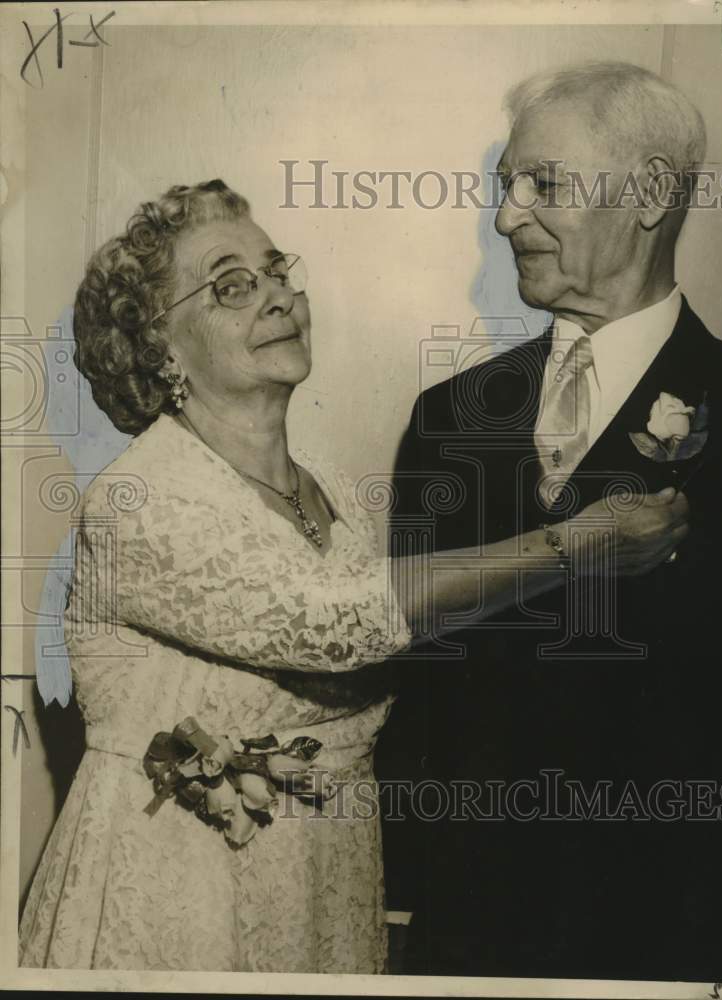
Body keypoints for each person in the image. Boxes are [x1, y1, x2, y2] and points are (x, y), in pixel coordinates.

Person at [18, 179, 686, 973]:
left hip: (319, 879)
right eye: (232, 284)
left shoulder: (330, 483)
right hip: (176, 887)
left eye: (277, 272)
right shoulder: (137, 498)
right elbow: (336, 619)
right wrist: (573, 546)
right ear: (161, 346)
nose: (276, 298)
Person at [378, 62, 722, 981]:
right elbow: (415, 685)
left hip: (681, 932)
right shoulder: (448, 416)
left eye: (541, 185)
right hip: (468, 933)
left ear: (647, 194)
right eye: (505, 187)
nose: (506, 216)